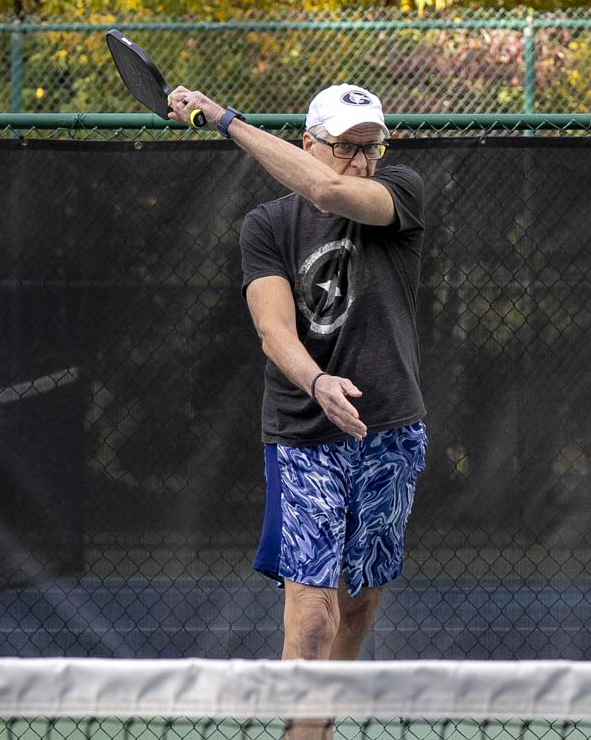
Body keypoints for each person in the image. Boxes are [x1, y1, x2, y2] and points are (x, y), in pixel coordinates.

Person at [167, 84, 428, 663]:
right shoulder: (267, 225)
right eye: (345, 146)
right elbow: (274, 330)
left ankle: (327, 710)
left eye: (371, 146)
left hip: (389, 432)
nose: (361, 161)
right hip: (305, 434)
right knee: (312, 615)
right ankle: (300, 715)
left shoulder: (401, 190)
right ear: (308, 144)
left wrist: (224, 118)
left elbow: (329, 191)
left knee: (357, 606)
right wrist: (317, 382)